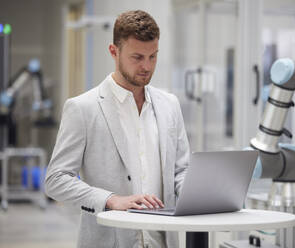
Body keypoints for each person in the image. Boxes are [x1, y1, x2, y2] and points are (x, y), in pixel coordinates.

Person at [45, 10, 190, 248]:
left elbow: (181, 170)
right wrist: (110, 200)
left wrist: (198, 196)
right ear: (114, 52)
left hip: (163, 241)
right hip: (109, 240)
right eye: (137, 57)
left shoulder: (170, 105)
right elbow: (56, 179)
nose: (147, 66)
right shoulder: (83, 108)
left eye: (153, 56)